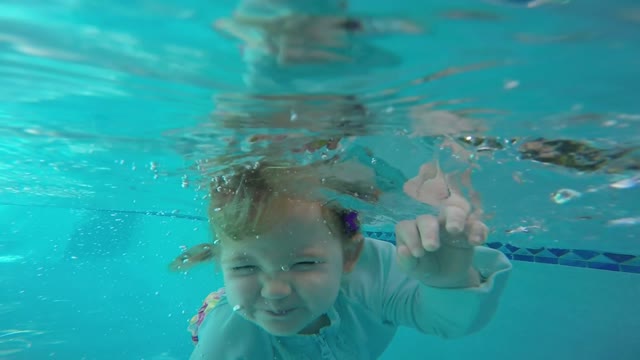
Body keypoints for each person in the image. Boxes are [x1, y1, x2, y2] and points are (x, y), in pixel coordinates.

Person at [183, 158, 512, 359]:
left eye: (304, 263)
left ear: (350, 254)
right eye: (244, 266)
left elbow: (448, 322)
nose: (275, 290)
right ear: (222, 264)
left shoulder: (375, 272)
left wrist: (448, 282)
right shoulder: (228, 340)